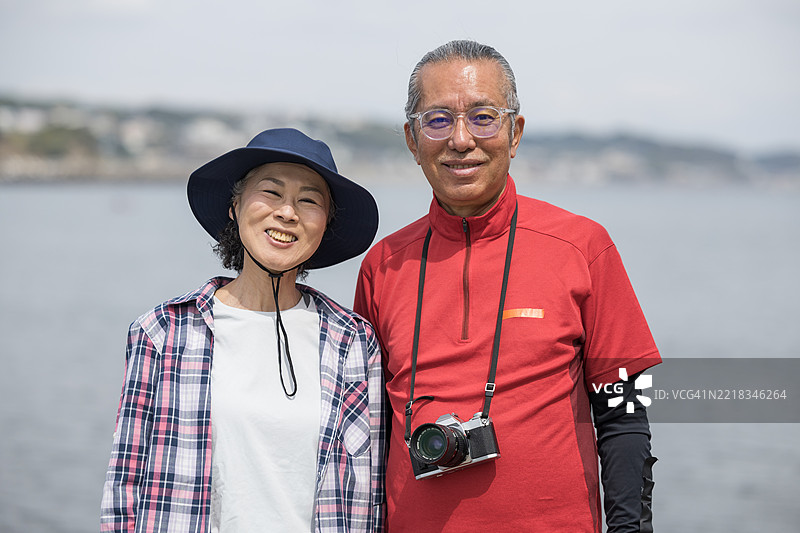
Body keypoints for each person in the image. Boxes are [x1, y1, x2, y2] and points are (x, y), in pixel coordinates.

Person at [354, 40, 661, 532]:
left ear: (514, 133)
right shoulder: (382, 266)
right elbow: (369, 431)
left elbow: (623, 414)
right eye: (437, 120)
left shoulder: (582, 247)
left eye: (483, 118)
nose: (460, 140)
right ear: (412, 140)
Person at [101, 128, 385, 532]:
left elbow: (369, 495)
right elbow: (124, 487)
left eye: (308, 200)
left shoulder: (353, 342)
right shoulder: (163, 332)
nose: (287, 212)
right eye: (271, 192)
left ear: (326, 224)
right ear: (234, 206)